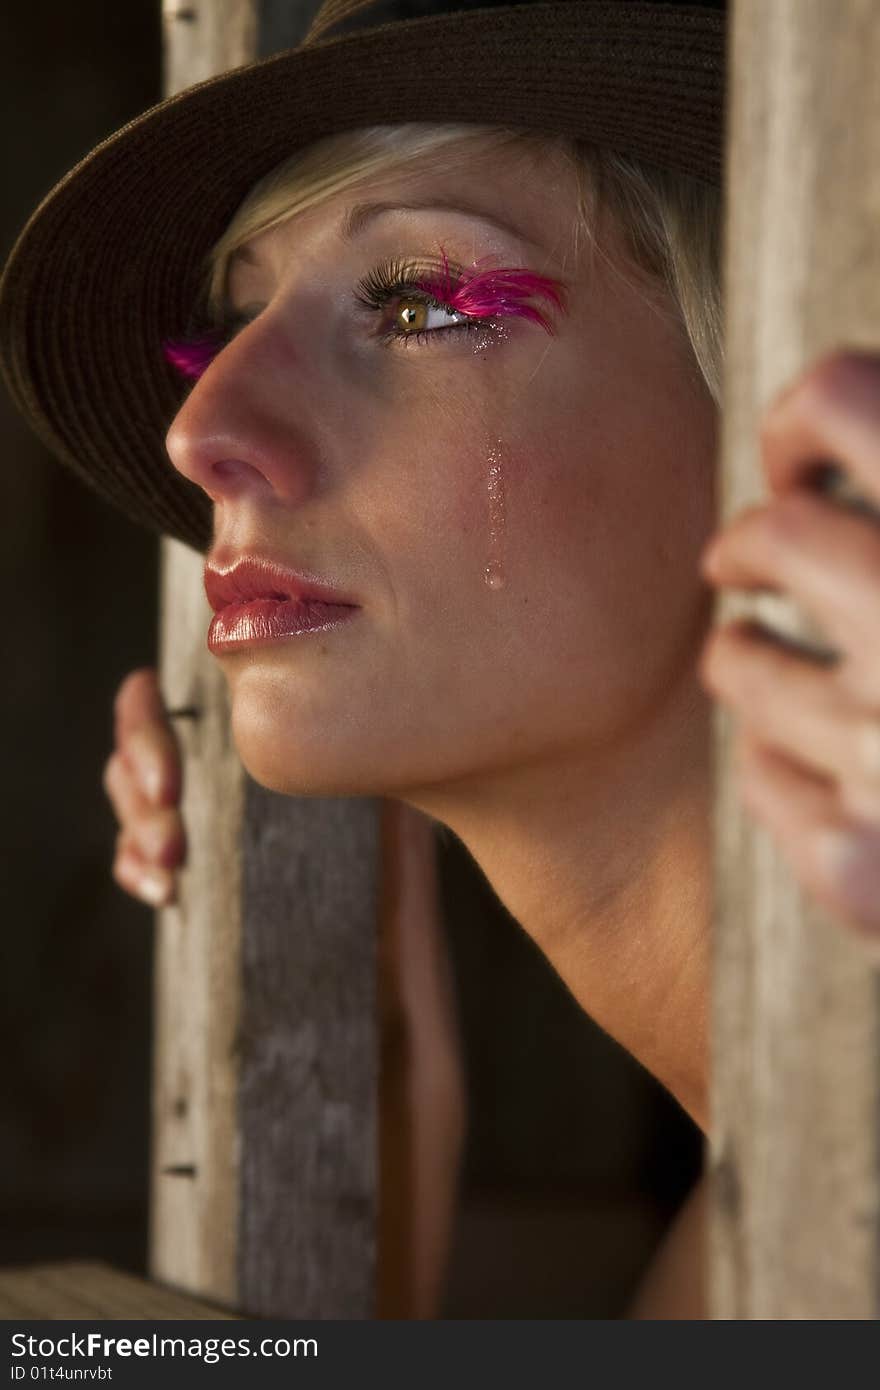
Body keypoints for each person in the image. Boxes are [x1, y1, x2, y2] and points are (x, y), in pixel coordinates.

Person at [4, 0, 880, 1319]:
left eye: (417, 300)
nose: (202, 427)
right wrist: (364, 1094)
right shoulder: (755, 1219)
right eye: (224, 328)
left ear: (779, 397)